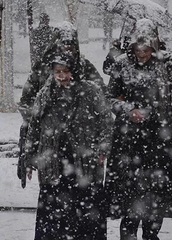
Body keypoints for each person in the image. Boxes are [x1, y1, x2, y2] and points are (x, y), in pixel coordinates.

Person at [105, 18, 172, 240]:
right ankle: (129, 234)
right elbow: (109, 98)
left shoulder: (169, 63)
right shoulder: (122, 64)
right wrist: (127, 109)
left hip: (160, 142)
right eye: (138, 47)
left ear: (154, 44)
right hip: (128, 141)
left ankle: (151, 235)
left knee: (157, 197)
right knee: (130, 195)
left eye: (146, 48)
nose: (142, 52)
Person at [23, 53, 113, 239]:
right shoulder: (46, 93)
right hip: (53, 159)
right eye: (58, 71)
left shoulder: (90, 91)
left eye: (65, 71)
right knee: (54, 209)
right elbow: (34, 125)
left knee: (85, 206)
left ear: (75, 71)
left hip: (84, 160)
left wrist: (103, 148)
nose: (61, 76)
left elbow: (106, 120)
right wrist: (30, 155)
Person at [17, 21, 106, 185]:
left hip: (81, 141)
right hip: (51, 141)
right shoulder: (42, 68)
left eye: (71, 46)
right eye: (63, 45)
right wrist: (42, 122)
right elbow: (26, 101)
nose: (67, 49)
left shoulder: (85, 67)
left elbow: (102, 99)